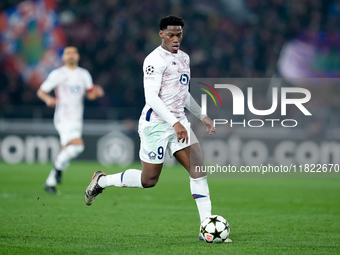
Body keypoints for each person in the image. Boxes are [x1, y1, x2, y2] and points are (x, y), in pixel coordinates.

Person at [84, 15, 231, 242]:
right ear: (161, 34)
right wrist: (174, 122)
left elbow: (183, 93)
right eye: (171, 34)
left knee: (198, 169)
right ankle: (102, 180)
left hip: (179, 123)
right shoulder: (154, 60)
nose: (176, 39)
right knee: (148, 180)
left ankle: (206, 229)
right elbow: (151, 97)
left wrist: (203, 116)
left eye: (179, 34)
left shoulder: (184, 58)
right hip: (156, 126)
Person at [37, 46, 104, 194]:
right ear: (64, 57)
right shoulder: (58, 74)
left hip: (77, 118)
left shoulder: (84, 74)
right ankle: (58, 168)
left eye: (74, 53)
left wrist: (97, 93)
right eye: (68, 53)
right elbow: (41, 91)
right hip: (63, 118)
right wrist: (48, 99)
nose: (71, 55)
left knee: (66, 151)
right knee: (78, 147)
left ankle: (50, 182)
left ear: (78, 56)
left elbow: (90, 94)